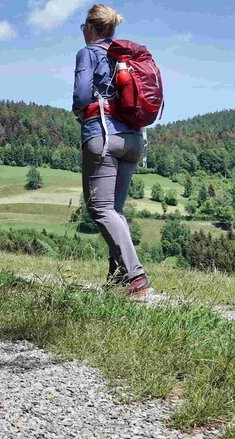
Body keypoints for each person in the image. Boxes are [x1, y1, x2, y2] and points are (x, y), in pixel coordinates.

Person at [72, 4, 151, 295]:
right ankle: (117, 278)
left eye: (84, 27)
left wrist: (79, 110)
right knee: (115, 210)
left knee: (100, 208)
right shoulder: (125, 56)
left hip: (103, 135)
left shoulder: (88, 52)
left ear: (91, 27)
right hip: (134, 140)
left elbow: (82, 95)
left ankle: (136, 276)